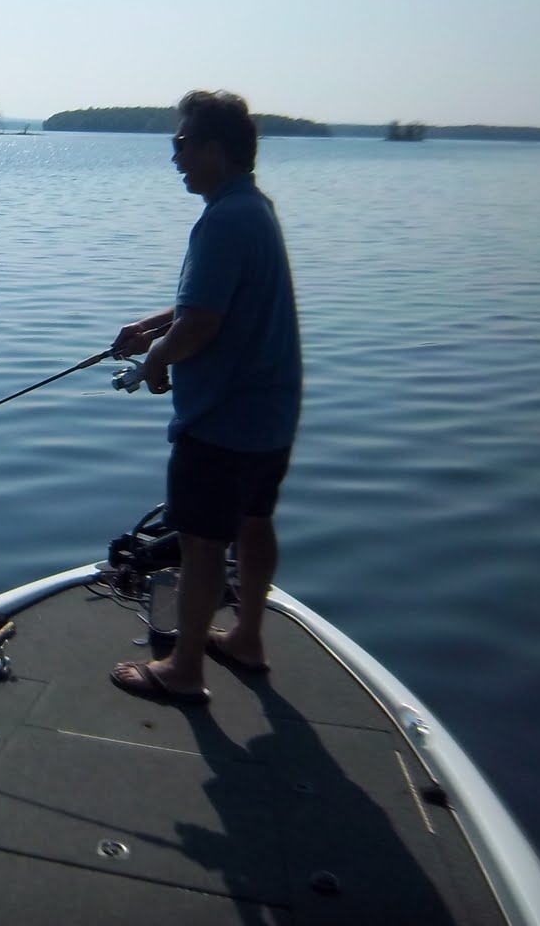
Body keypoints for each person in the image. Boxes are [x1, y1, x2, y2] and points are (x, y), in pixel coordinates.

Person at [109, 90, 302, 705]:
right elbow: (209, 304)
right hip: (271, 414)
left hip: (222, 420)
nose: (175, 157)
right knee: (254, 521)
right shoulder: (253, 208)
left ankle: (184, 669)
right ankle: (247, 637)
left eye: (182, 144)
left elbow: (199, 327)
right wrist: (151, 326)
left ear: (215, 151)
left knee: (200, 541)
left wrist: (155, 362)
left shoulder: (220, 221)